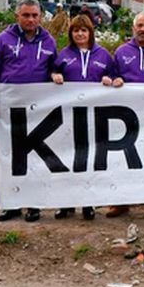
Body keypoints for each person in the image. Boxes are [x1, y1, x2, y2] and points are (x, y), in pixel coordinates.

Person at [0, 0, 57, 222]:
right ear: (18, 16)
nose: (31, 19)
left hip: (37, 108)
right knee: (10, 157)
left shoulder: (49, 41)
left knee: (35, 158)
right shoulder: (2, 40)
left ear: (40, 17)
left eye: (35, 15)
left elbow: (54, 68)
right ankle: (11, 205)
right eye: (26, 15)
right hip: (9, 109)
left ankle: (33, 204)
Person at [50, 14, 117, 220]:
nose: (80, 34)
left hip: (93, 117)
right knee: (67, 159)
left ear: (90, 33)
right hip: (69, 116)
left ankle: (88, 203)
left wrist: (111, 79)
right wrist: (54, 76)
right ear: (71, 33)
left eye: (84, 30)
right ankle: (66, 203)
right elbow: (50, 74)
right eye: (76, 30)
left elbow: (116, 76)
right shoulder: (64, 55)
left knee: (88, 160)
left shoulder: (103, 55)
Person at [105, 10, 144, 220]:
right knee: (123, 158)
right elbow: (112, 74)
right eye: (139, 25)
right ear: (134, 28)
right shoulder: (122, 51)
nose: (142, 30)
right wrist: (115, 80)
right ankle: (121, 201)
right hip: (126, 114)